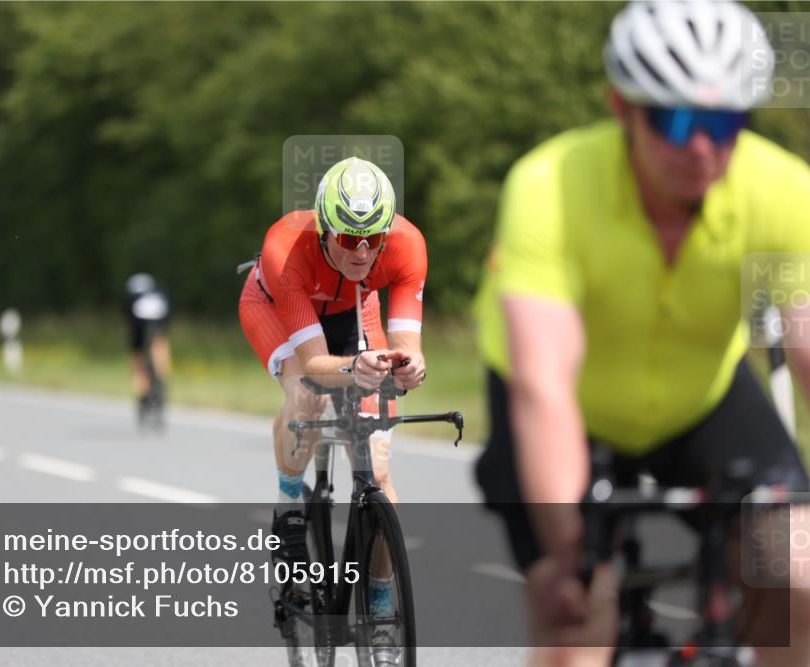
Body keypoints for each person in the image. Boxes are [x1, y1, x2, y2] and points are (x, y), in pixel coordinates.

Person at [473, 2, 810, 665]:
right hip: (566, 409)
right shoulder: (552, 187)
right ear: (623, 109)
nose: (702, 147)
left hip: (700, 400)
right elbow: (544, 380)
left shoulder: (782, 190)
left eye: (724, 123)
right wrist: (570, 549)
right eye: (676, 120)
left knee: (797, 579)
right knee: (577, 609)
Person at [238, 157, 427, 617]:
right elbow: (316, 364)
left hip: (352, 309)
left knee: (380, 473)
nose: (362, 253)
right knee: (306, 391)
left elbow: (406, 343)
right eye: (347, 239)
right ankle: (289, 509)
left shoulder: (406, 246)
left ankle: (381, 611)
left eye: (373, 240)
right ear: (325, 228)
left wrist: (408, 365)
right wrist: (353, 369)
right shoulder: (286, 247)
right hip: (279, 304)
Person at [124, 273, 172, 428]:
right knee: (159, 343)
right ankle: (161, 374)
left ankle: (142, 395)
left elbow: (128, 323)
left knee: (138, 358)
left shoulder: (130, 296)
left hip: (137, 321)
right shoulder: (159, 291)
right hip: (160, 317)